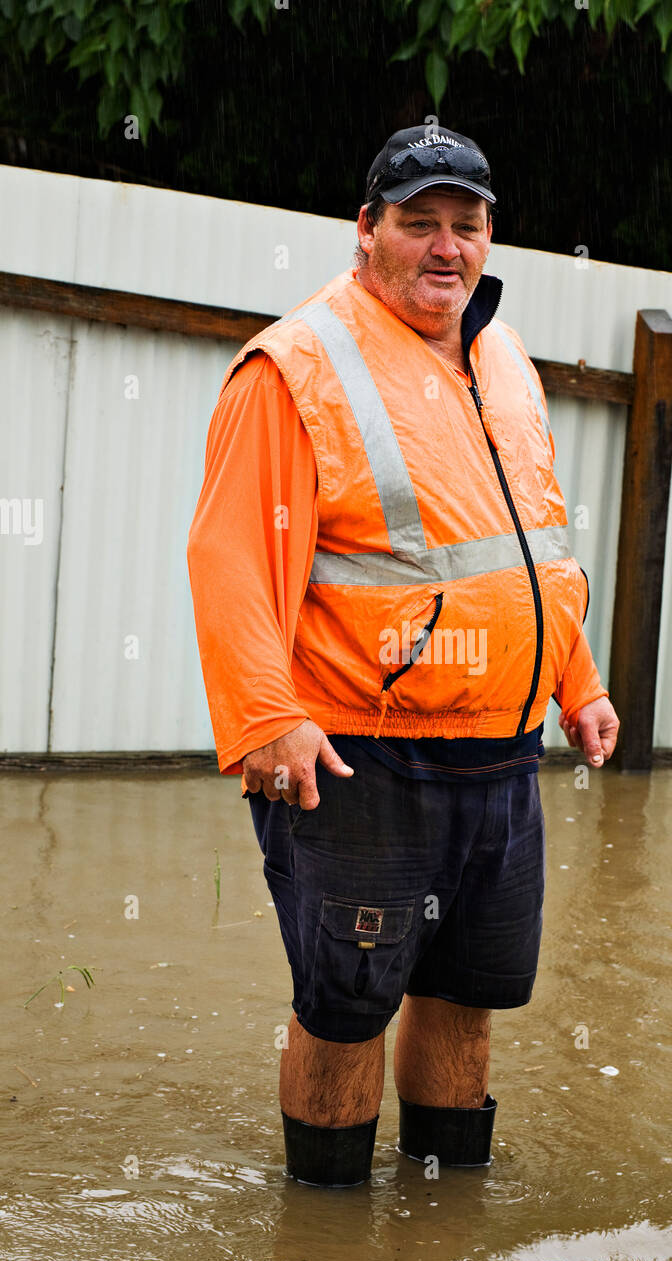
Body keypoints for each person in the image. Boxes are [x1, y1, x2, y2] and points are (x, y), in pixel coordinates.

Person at [187, 124, 619, 1188]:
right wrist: (265, 720)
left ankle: (438, 1225)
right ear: (366, 232)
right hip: (359, 756)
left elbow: (531, 544)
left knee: (465, 998)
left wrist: (578, 679)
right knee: (343, 1010)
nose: (444, 246)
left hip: (500, 755)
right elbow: (228, 554)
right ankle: (327, 1233)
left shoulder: (503, 357)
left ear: (486, 237)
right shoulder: (296, 364)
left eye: (464, 225)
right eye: (416, 222)